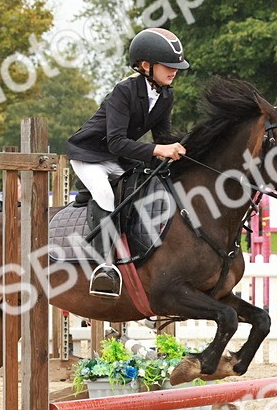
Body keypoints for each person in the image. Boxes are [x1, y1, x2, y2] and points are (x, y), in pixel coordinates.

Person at [65, 27, 190, 297]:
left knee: (148, 187)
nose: (174, 71)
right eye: (168, 66)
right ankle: (102, 269)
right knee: (107, 199)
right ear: (146, 65)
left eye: (176, 66)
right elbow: (116, 142)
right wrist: (160, 149)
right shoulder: (124, 91)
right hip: (90, 155)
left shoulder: (166, 95)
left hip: (118, 156)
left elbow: (164, 136)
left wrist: (191, 144)